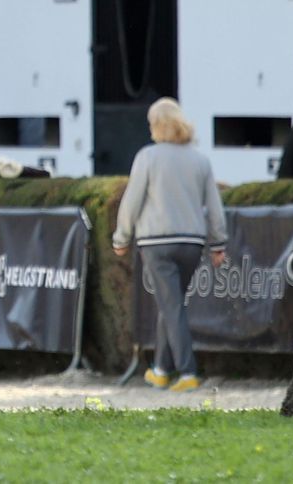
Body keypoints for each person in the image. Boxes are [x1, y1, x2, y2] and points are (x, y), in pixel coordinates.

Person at [111, 97, 227, 393]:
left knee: (171, 305)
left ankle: (188, 372)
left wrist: (121, 237)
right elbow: (214, 206)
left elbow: (132, 201)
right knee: (172, 302)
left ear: (157, 126)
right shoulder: (200, 160)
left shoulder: (147, 157)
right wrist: (218, 244)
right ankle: (160, 370)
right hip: (191, 242)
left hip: (156, 241)